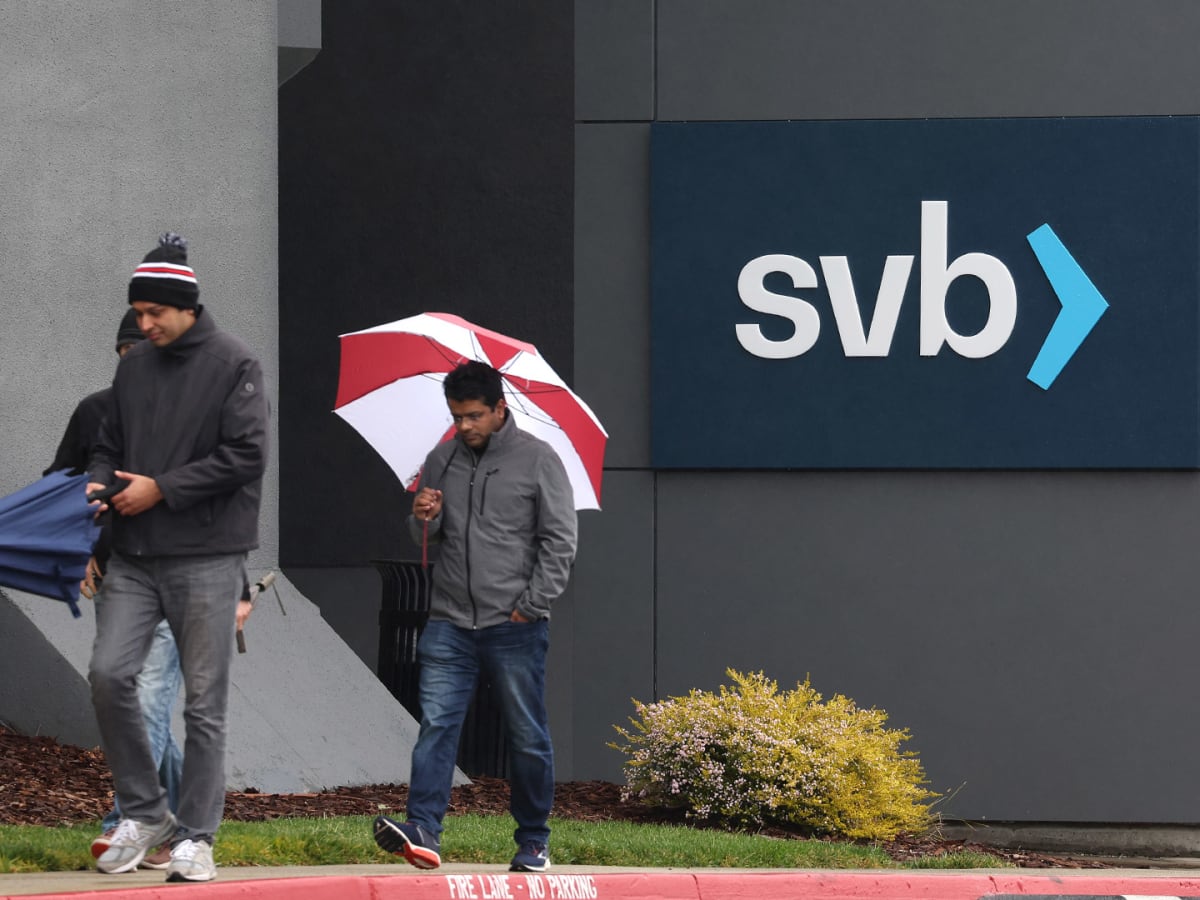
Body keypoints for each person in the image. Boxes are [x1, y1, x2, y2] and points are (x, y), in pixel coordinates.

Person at [86, 232, 269, 884]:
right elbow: (107, 444)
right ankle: (145, 813)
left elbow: (248, 455)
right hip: (135, 556)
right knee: (108, 676)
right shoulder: (133, 366)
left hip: (207, 557)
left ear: (187, 307)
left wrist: (161, 488)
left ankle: (197, 838)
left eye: (154, 312)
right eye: (138, 313)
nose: (144, 324)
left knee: (202, 706)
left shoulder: (236, 363)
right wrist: (98, 483)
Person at [373, 360, 577, 873]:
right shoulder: (441, 459)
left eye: (473, 416)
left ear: (499, 409)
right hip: (449, 621)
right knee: (437, 726)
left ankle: (534, 840)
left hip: (514, 625)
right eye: (456, 416)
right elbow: (425, 535)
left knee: (526, 734)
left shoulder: (538, 459)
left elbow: (560, 541)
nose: (464, 426)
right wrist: (423, 515)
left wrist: (531, 606)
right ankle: (423, 830)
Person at [45, 309, 185, 872]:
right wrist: (75, 549)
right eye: (130, 355)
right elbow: (61, 482)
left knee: (147, 701)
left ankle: (126, 823)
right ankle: (176, 822)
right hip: (116, 582)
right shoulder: (95, 412)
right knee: (136, 706)